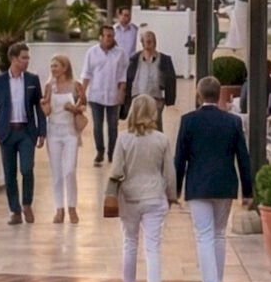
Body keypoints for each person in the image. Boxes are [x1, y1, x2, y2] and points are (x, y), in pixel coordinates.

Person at [175, 74, 254, 282]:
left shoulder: (188, 121)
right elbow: (243, 157)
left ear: (198, 95)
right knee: (219, 234)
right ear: (219, 94)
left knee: (204, 235)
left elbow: (180, 158)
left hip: (198, 184)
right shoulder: (232, 121)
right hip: (224, 184)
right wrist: (248, 190)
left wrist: (175, 189)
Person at [106, 92, 175, 282]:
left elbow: (116, 171)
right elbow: (169, 173)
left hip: (130, 197)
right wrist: (172, 195)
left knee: (130, 242)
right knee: (153, 246)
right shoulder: (162, 139)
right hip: (155, 196)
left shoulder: (124, 139)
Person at [0, 40, 46, 224]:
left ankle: (27, 203)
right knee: (9, 174)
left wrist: (42, 131)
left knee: (27, 169)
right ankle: (15, 210)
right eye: (23, 58)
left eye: (28, 58)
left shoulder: (32, 80)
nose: (27, 61)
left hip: (26, 132)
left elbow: (39, 106)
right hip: (6, 133)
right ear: (13, 59)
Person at [42, 52, 86, 222]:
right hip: (53, 132)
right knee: (57, 173)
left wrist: (73, 108)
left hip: (70, 133)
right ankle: (59, 208)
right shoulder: (48, 86)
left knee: (69, 171)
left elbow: (83, 105)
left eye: (56, 66)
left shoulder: (76, 85)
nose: (53, 69)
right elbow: (47, 112)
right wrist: (44, 105)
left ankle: (72, 207)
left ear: (65, 67)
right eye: (51, 66)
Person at [80, 23, 126, 165]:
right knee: (97, 126)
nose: (109, 38)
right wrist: (82, 93)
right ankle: (100, 151)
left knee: (113, 126)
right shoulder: (92, 52)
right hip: (96, 95)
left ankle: (112, 153)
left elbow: (123, 76)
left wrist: (121, 93)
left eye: (111, 36)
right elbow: (86, 74)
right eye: (106, 36)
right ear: (100, 37)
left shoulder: (120, 53)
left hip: (113, 95)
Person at [120, 28, 176, 120]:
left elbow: (171, 80)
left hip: (156, 98)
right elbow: (128, 78)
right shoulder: (134, 59)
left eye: (151, 41)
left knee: (155, 125)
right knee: (137, 124)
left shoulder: (164, 59)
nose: (149, 43)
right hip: (138, 97)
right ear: (142, 43)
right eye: (147, 41)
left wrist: (170, 100)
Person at [112, 0, 139, 65]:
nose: (126, 18)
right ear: (119, 15)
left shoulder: (135, 30)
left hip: (131, 62)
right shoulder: (113, 30)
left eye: (128, 15)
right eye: (125, 15)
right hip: (116, 62)